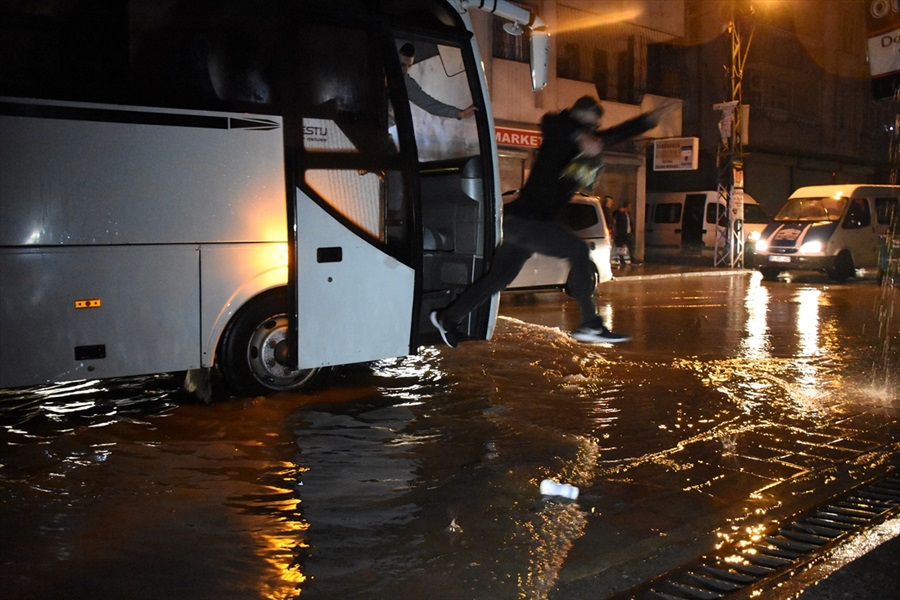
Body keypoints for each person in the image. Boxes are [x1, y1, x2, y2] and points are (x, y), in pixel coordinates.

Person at [429, 95, 658, 347]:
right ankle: (590, 324)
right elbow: (553, 122)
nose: (591, 132)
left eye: (594, 127)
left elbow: (618, 133)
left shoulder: (588, 143)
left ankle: (448, 317)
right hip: (528, 221)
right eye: (588, 125)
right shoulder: (558, 131)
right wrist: (580, 137)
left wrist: (650, 119)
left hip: (521, 223)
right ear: (578, 118)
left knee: (498, 279)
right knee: (578, 250)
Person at [399, 43, 475, 120]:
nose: (406, 70)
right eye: (402, 65)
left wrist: (458, 113)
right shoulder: (399, 79)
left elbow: (429, 104)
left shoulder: (404, 82)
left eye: (409, 66)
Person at [613, 201, 634, 268]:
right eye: (629, 206)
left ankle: (632, 260)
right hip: (622, 233)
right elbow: (613, 215)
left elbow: (630, 223)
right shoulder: (620, 214)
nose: (630, 208)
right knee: (621, 247)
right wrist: (618, 210)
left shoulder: (628, 214)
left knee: (631, 246)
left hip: (628, 233)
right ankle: (622, 261)